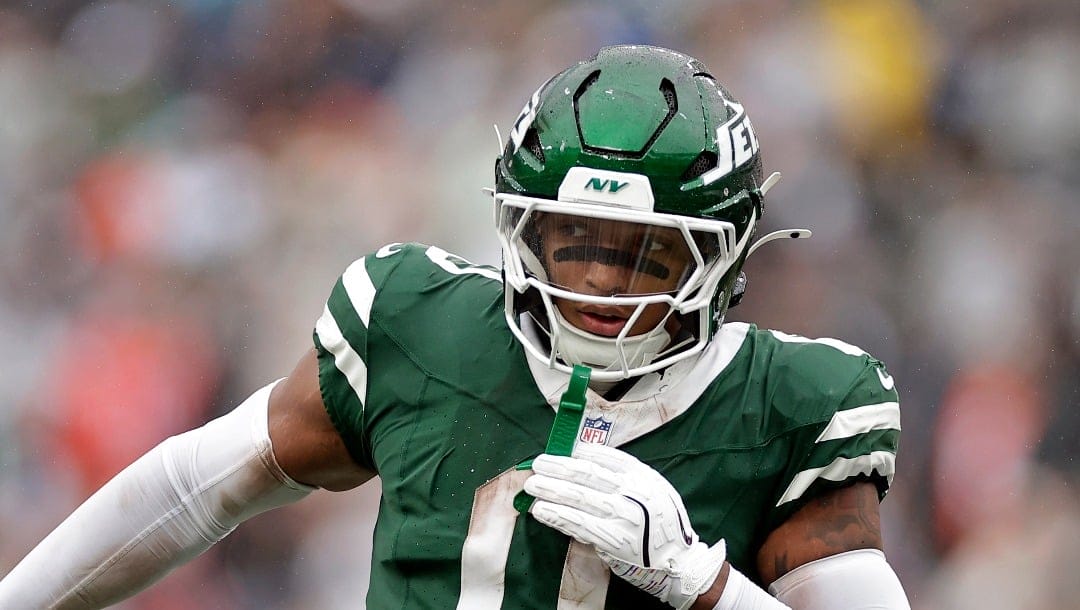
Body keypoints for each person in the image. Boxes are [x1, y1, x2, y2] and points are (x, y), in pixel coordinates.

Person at [0, 45, 910, 609]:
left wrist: (698, 582)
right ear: (523, 228)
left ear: (726, 254)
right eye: (572, 243)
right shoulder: (418, 324)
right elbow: (196, 483)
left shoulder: (791, 404)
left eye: (644, 255)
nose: (599, 280)